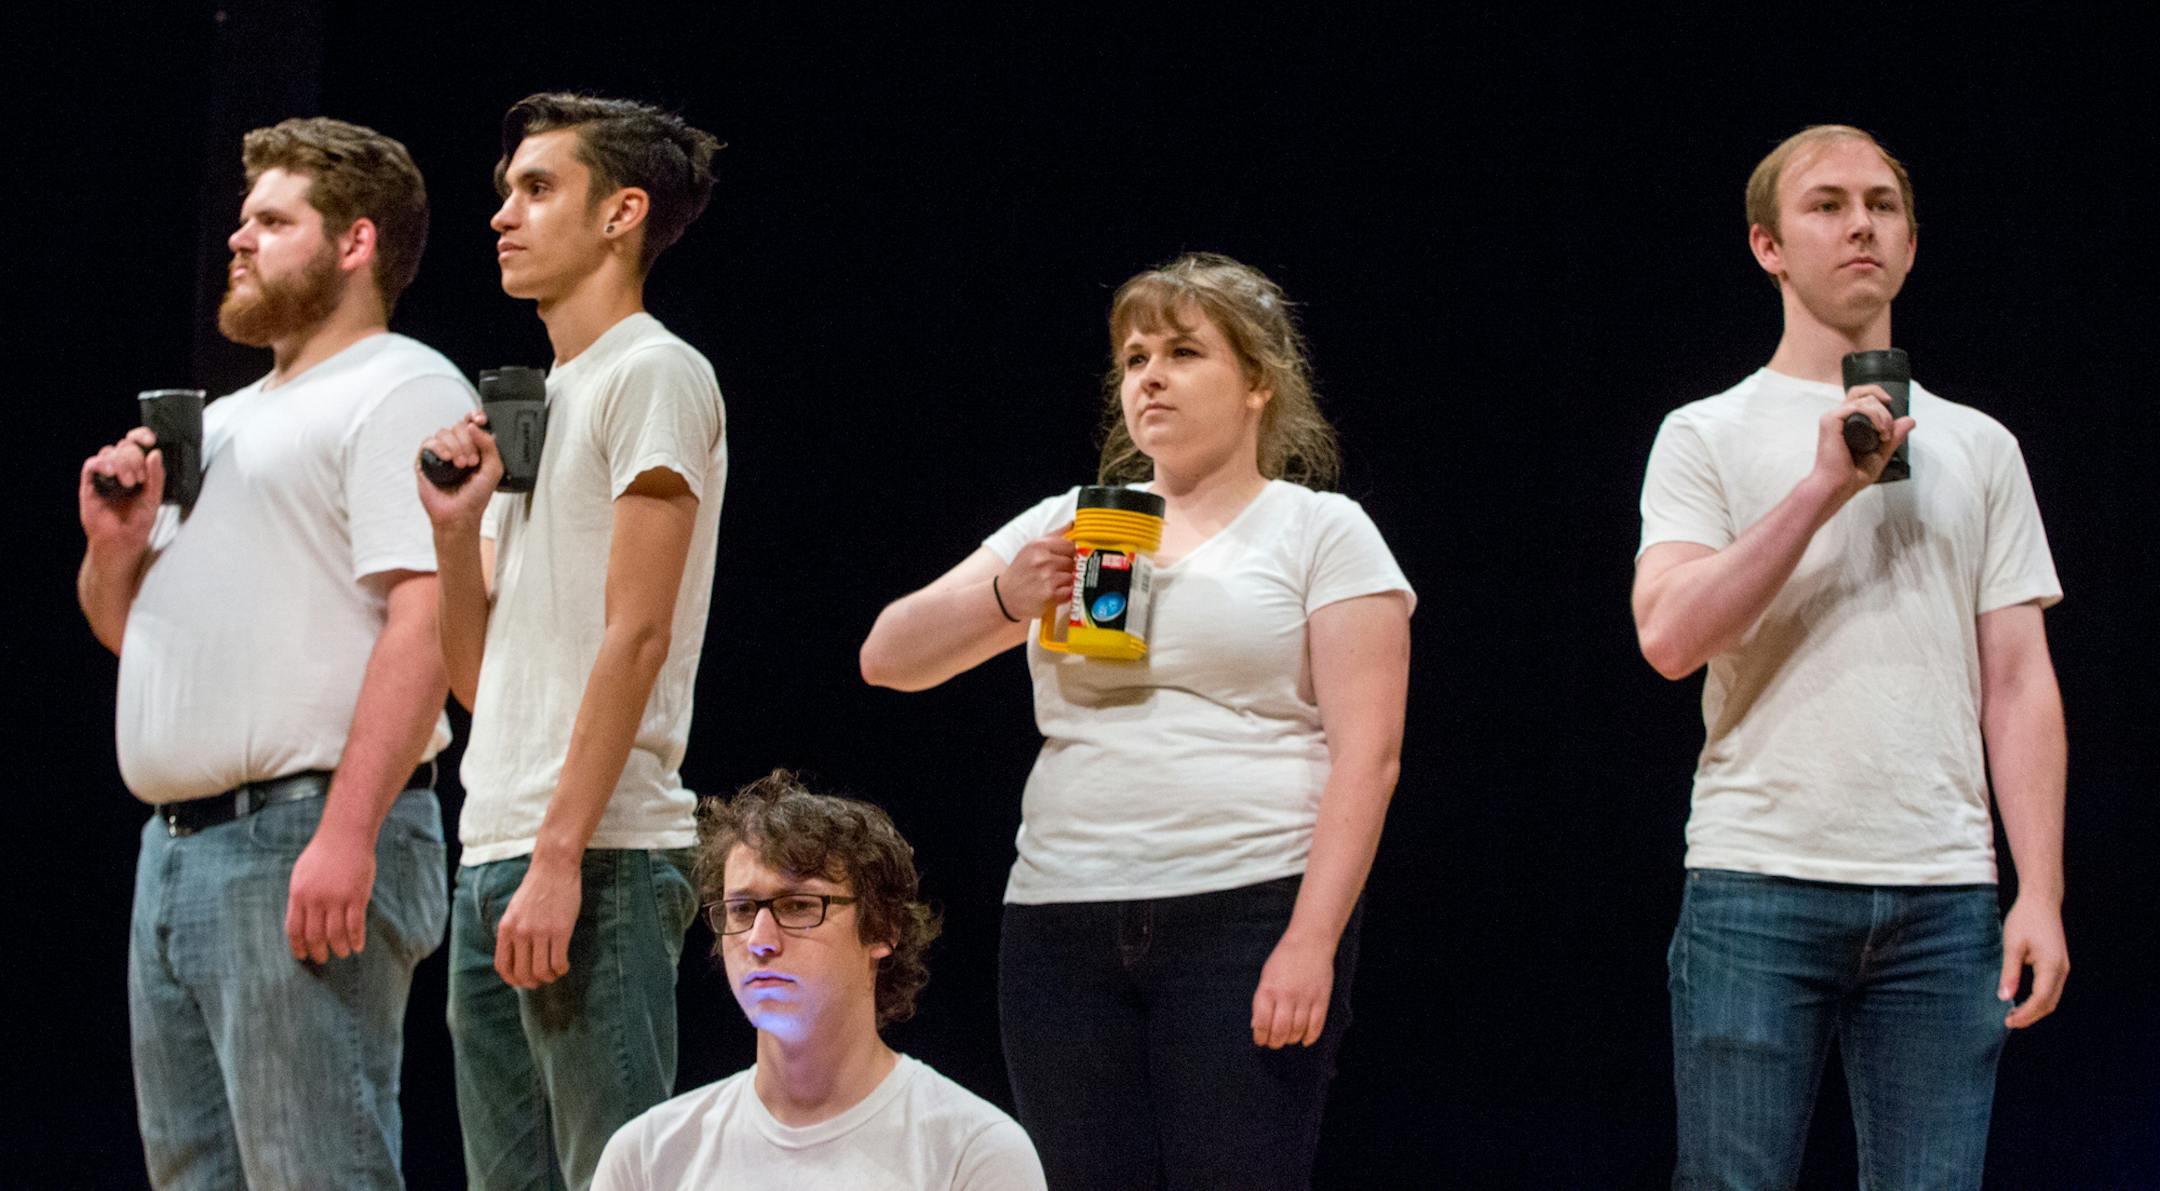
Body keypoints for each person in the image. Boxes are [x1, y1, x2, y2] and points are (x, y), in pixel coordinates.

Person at [859, 252, 1414, 1188]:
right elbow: (888, 656)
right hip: (1061, 914)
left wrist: (1311, 940)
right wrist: (1007, 595)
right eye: (1134, 359)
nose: (1150, 377)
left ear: (1258, 383)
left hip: (1246, 904)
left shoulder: (1319, 529)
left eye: (1183, 353)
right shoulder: (1072, 521)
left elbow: (1371, 756)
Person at [1631, 125, 2069, 1188]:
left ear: (1911, 244)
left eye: (1881, 205)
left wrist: (2042, 891)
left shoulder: (1982, 445)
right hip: (1758, 878)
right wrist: (1823, 487)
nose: (1860, 224)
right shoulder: (1706, 431)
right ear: (1769, 246)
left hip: (1943, 894)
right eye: (1826, 205)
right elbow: (1671, 640)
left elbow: (2018, 682)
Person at [77, 117, 472, 1188]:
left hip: (299, 831)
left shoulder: (402, 386)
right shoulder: (223, 420)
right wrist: (114, 549)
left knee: (314, 1171)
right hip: (178, 847)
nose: (238, 238)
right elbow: (134, 636)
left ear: (355, 242)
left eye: (272, 220)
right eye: (244, 218)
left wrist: (347, 831)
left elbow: (427, 619)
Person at [417, 92, 726, 1191]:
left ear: (620, 213)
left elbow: (639, 635)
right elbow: (477, 680)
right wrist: (453, 533)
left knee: (614, 1176)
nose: (503, 214)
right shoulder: (541, 402)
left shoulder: (654, 372)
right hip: (494, 844)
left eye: (537, 188)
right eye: (507, 190)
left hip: (598, 852)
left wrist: (558, 856)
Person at [591, 771, 1047, 1189]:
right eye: (742, 910)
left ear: (883, 927)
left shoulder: (973, 1152)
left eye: (798, 906)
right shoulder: (648, 1158)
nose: (760, 941)